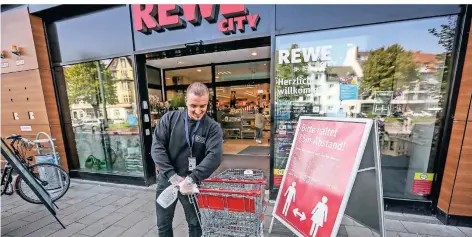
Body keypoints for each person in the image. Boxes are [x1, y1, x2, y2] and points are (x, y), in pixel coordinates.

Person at [152, 82, 223, 237]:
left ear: (207, 103)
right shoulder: (169, 119)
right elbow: (157, 148)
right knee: (163, 223)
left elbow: (215, 156)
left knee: (195, 223)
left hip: (191, 183)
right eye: (193, 106)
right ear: (186, 102)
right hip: (167, 180)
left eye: (202, 106)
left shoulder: (212, 127)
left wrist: (192, 179)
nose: (198, 111)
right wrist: (172, 175)